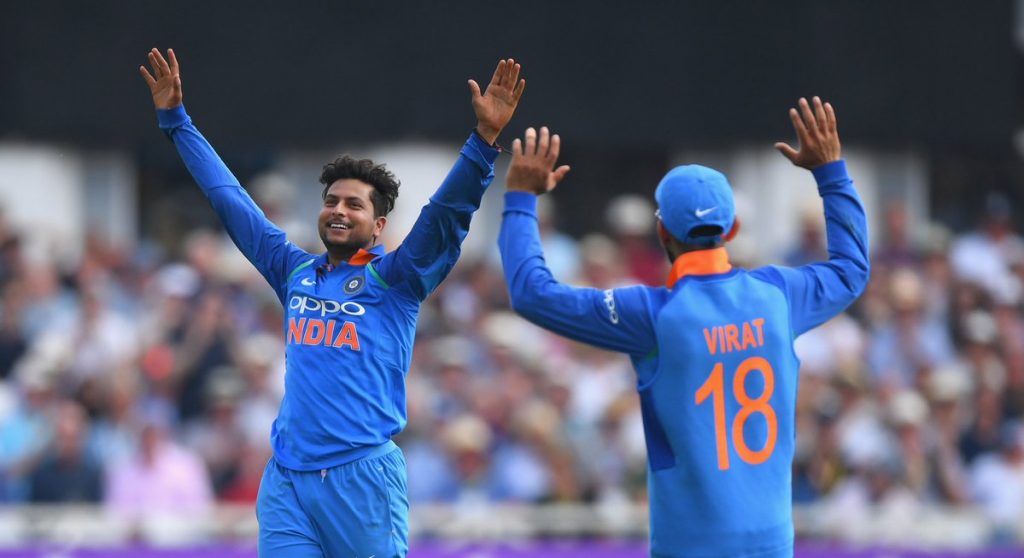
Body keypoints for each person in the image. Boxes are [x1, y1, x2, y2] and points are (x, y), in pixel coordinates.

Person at [140, 47, 526, 558]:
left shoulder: (396, 279)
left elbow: (444, 217)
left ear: (378, 225)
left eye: (353, 204)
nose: (338, 210)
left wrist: (482, 142)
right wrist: (177, 122)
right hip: (288, 481)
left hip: (362, 480)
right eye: (330, 201)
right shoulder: (293, 270)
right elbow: (230, 199)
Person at [498, 97, 869, 557]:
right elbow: (852, 270)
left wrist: (520, 199)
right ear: (732, 229)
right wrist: (831, 172)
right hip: (771, 544)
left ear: (662, 233)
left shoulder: (650, 315)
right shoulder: (779, 295)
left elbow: (531, 294)